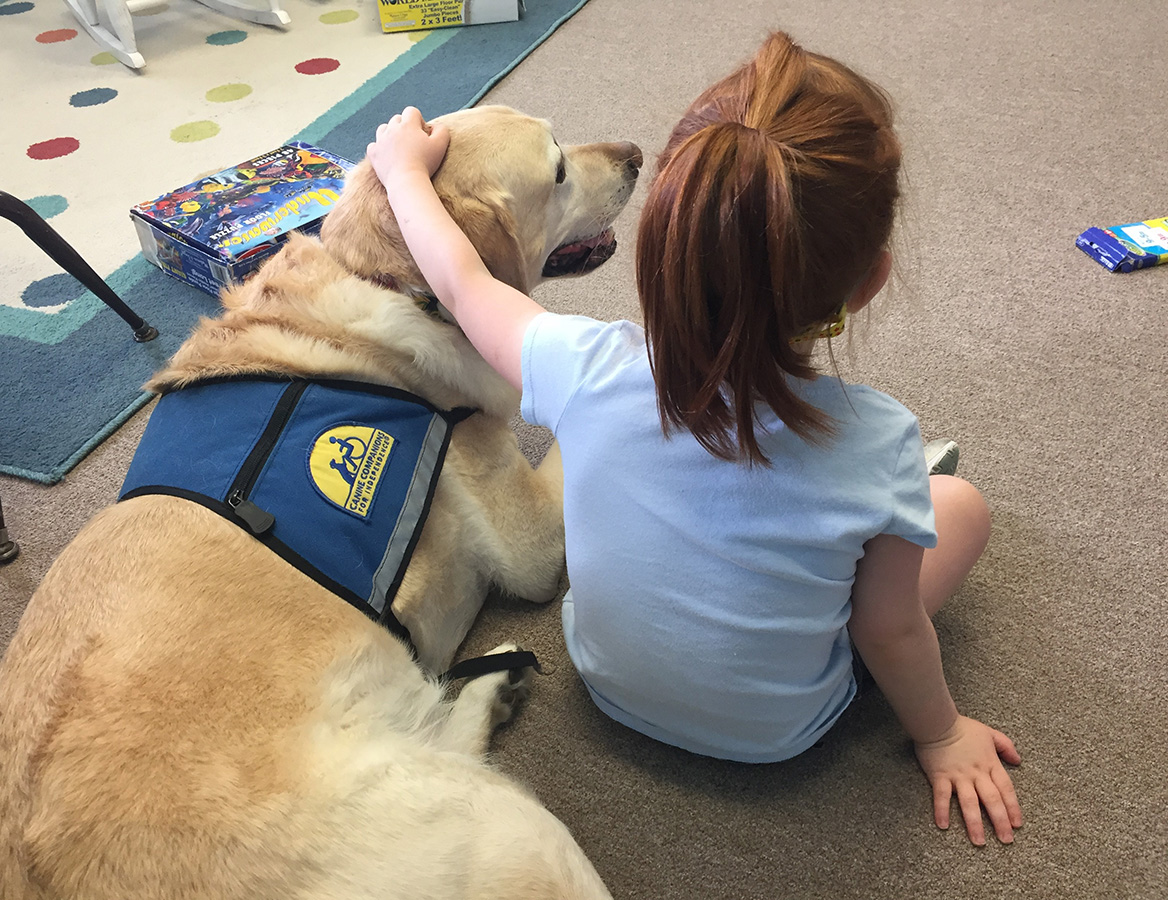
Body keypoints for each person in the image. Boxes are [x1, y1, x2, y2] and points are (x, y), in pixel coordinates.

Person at [365, 31, 1022, 847]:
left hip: (602, 680)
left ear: (666, 239)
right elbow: (886, 629)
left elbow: (462, 284)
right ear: (870, 280)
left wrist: (400, 175)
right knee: (959, 505)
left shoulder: (585, 363)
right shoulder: (880, 438)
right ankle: (873, 530)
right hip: (776, 732)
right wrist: (942, 734)